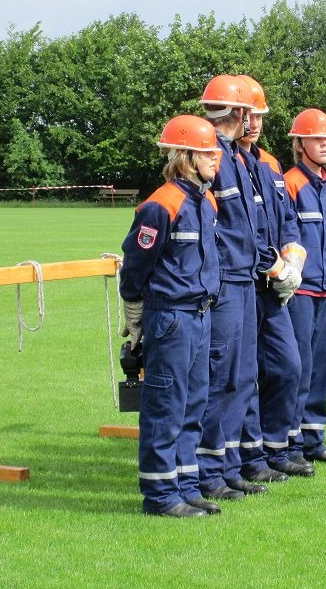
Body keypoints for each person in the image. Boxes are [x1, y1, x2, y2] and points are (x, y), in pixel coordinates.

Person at [119, 114, 222, 517]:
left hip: (200, 315)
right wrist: (135, 315)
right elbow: (136, 266)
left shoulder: (206, 201)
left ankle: (186, 486)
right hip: (172, 318)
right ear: (186, 157)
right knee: (166, 407)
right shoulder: (160, 205)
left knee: (194, 405)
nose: (216, 158)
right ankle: (161, 496)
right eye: (208, 152)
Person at [195, 74, 282, 500]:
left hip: (244, 278)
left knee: (242, 376)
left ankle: (228, 465)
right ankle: (210, 472)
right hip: (226, 282)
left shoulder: (234, 156)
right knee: (222, 377)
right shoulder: (211, 153)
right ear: (240, 113)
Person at [234, 76, 313, 480]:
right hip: (246, 283)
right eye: (248, 115)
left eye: (259, 115)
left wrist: (293, 259)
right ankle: (250, 458)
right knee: (245, 374)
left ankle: (276, 448)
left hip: (275, 287)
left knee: (287, 367)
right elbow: (237, 231)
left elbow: (286, 221)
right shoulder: (226, 162)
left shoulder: (269, 164)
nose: (254, 123)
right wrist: (274, 266)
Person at [283, 109, 326, 465]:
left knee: (322, 365)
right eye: (317, 139)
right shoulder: (290, 183)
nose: (325, 145)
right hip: (299, 294)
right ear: (300, 144)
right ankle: (291, 445)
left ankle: (313, 441)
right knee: (299, 368)